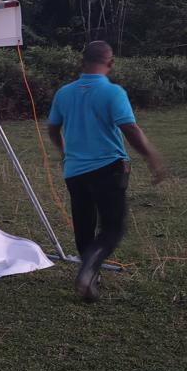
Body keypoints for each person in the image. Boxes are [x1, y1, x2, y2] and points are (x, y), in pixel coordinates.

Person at [48, 41, 168, 302]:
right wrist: (152, 158)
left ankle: (90, 274)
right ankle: (90, 267)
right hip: (108, 169)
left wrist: (64, 151)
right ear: (110, 63)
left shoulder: (64, 94)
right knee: (112, 227)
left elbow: (53, 128)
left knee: (84, 225)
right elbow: (130, 129)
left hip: (75, 171)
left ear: (82, 62)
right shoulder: (113, 93)